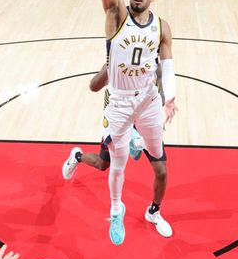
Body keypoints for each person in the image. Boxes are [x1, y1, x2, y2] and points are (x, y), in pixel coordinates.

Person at [75, 0, 178, 245]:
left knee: (162, 169)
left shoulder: (162, 27)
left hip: (148, 101)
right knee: (112, 164)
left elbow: (166, 66)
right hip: (118, 101)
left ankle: (154, 211)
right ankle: (116, 210)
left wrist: (171, 98)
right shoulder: (116, 14)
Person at [62, 64, 172, 238]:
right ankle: (78, 156)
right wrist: (110, 63)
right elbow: (96, 88)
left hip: (146, 119)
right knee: (102, 163)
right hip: (120, 119)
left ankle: (153, 212)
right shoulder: (117, 59)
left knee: (161, 171)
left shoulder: (152, 59)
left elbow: (162, 92)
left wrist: (162, 116)